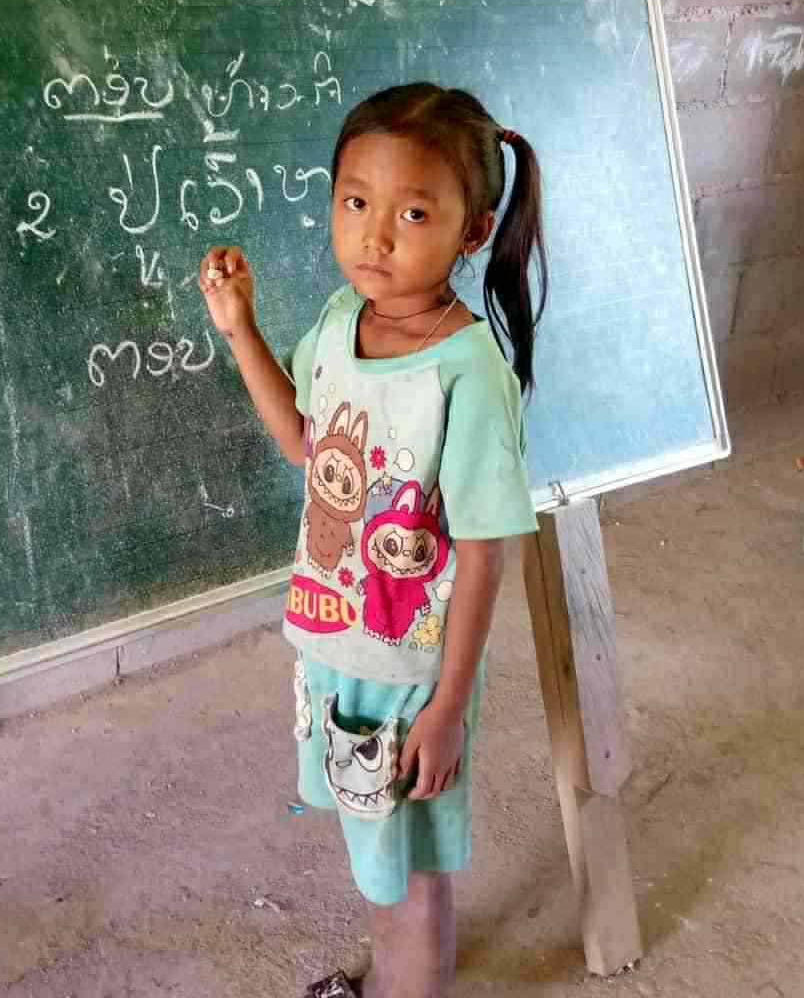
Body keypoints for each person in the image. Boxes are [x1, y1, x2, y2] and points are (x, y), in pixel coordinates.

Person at [198, 83, 548, 998]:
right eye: (356, 202)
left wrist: (448, 707)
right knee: (377, 848)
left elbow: (485, 552)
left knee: (411, 866)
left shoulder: (467, 371)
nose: (375, 237)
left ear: (473, 231)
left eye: (413, 213)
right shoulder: (337, 321)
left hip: (412, 673)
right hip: (338, 644)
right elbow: (304, 444)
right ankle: (393, 976)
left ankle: (407, 987)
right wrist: (241, 331)